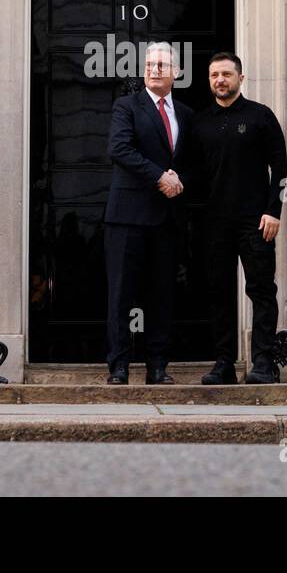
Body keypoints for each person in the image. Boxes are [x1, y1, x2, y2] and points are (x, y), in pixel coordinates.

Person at [185, 52, 287, 385]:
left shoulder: (261, 116)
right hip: (214, 223)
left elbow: (282, 169)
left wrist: (275, 210)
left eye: (226, 74)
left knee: (261, 291)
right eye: (214, 75)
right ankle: (224, 363)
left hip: (255, 222)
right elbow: (192, 173)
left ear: (240, 79)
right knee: (219, 292)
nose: (220, 80)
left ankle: (262, 363)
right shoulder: (199, 122)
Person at [101, 42, 194, 385]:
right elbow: (119, 148)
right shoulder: (127, 106)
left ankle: (158, 366)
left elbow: (192, 162)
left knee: (162, 294)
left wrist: (179, 181)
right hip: (127, 216)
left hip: (167, 219)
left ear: (177, 73)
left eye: (162, 65)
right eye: (151, 64)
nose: (155, 69)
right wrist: (160, 177)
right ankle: (119, 365)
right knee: (121, 294)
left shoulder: (185, 114)